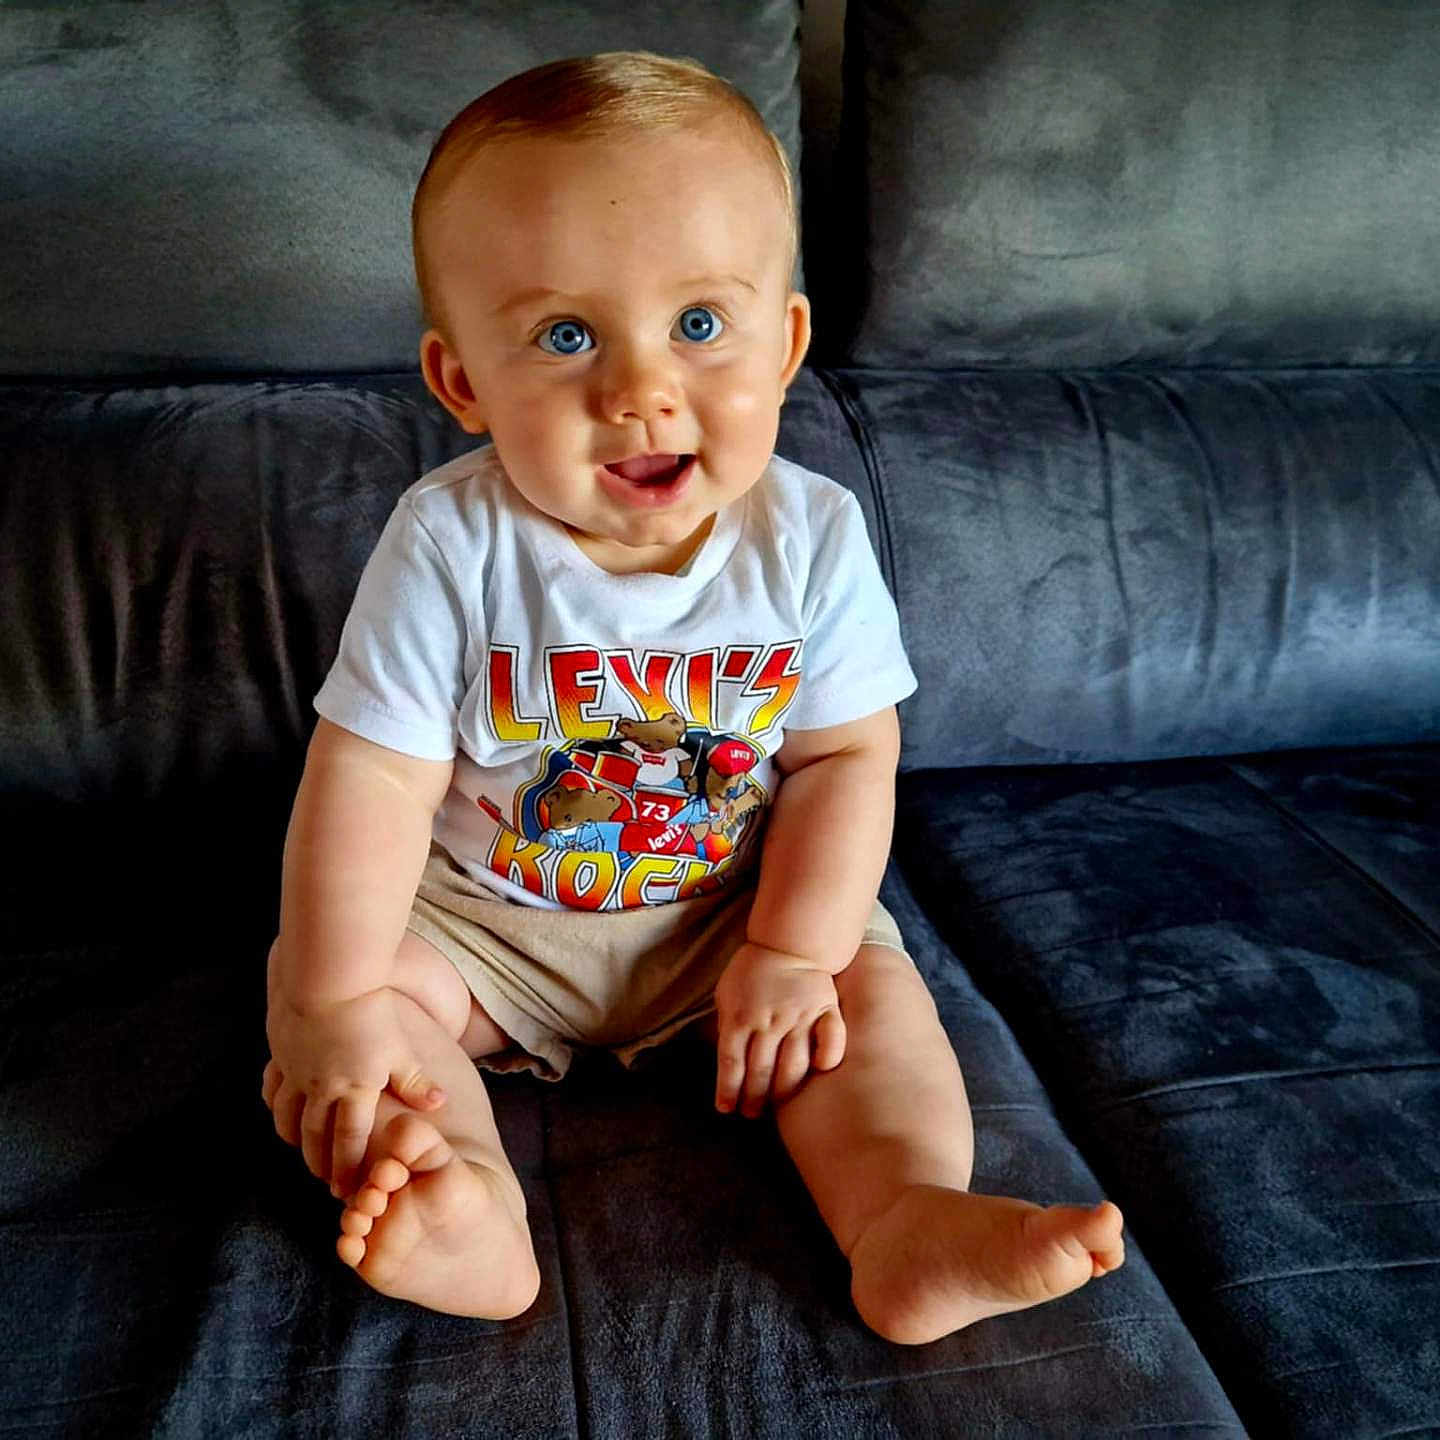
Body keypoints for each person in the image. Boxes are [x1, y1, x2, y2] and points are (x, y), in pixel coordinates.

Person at [261, 51, 1124, 1345]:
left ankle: (903, 1218)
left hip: (732, 918)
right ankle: (467, 1208)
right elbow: (373, 776)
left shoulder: (811, 539)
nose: (639, 390)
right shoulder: (450, 544)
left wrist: (792, 950)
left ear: (783, 345)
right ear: (462, 386)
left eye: (700, 326)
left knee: (870, 1000)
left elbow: (843, 762)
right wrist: (333, 1006)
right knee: (337, 1003)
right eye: (565, 336)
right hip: (488, 927)